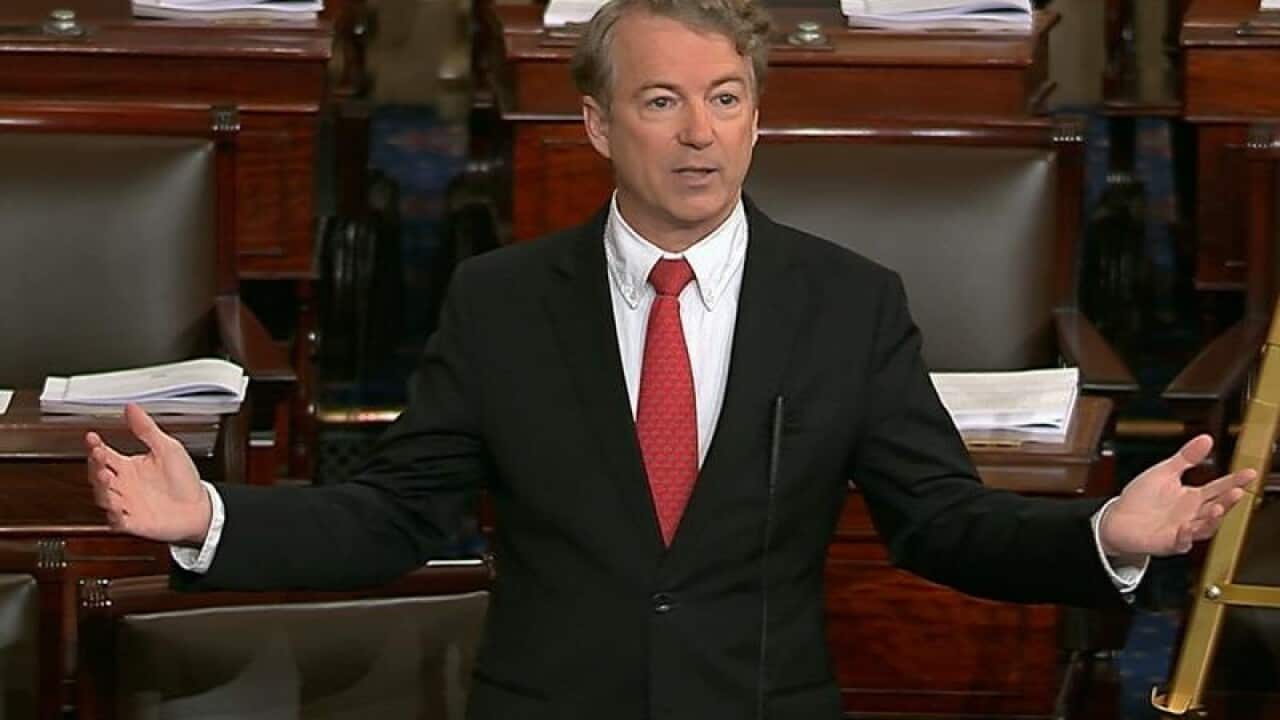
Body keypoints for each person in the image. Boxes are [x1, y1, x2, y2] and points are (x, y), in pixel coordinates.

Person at [85, 0, 1254, 717]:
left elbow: (940, 523)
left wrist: (1102, 535)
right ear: (596, 123)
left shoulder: (844, 303)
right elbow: (394, 514)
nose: (698, 134)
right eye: (659, 100)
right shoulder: (499, 301)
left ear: (755, 115)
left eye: (724, 98)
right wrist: (211, 519)